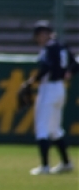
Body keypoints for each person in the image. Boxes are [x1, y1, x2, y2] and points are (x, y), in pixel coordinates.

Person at [26, 20, 78, 175]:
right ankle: (66, 163)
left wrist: (31, 81)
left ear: (44, 34)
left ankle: (45, 166)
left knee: (42, 127)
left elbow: (46, 67)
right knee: (55, 129)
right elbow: (75, 64)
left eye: (39, 35)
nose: (38, 38)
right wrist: (68, 72)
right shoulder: (61, 46)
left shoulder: (49, 48)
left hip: (48, 88)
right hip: (60, 88)